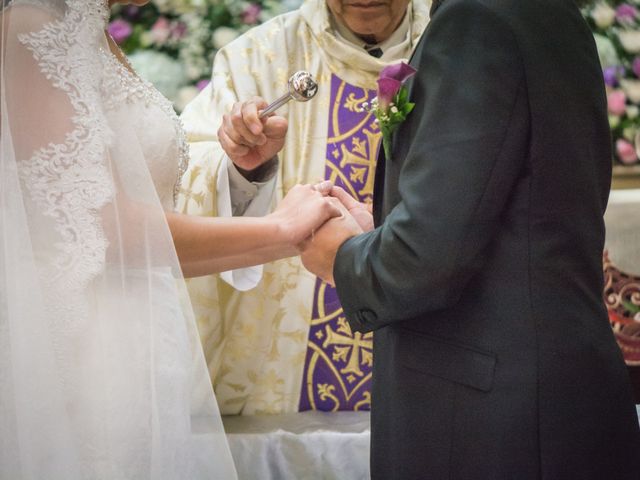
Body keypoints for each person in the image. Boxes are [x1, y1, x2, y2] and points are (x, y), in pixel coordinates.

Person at [0, 0, 341, 478]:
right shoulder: (33, 29)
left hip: (139, 340)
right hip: (84, 355)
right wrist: (279, 231)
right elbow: (95, 228)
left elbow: (143, 194)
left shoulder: (88, 31)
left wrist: (245, 170)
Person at [301, 0, 640, 477]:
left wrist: (340, 255)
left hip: (491, 414)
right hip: (550, 387)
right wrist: (381, 231)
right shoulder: (548, 12)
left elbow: (426, 258)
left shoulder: (475, 21)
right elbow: (507, 208)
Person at [178, 0, 430, 415]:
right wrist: (245, 169)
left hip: (426, 359)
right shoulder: (259, 57)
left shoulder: (452, 51)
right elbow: (183, 178)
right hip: (275, 366)